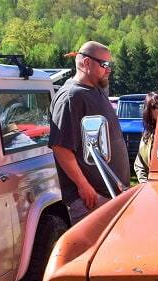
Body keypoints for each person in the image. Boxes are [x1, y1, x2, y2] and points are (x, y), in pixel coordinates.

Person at [49, 41, 129, 225]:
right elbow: (61, 147)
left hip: (110, 194)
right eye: (104, 65)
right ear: (86, 63)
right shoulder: (71, 97)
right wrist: (84, 187)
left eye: (110, 65)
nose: (109, 70)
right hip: (90, 200)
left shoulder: (96, 90)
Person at [133, 91, 158, 183]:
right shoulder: (147, 136)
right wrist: (144, 183)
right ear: (149, 112)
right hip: (153, 188)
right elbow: (139, 164)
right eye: (155, 107)